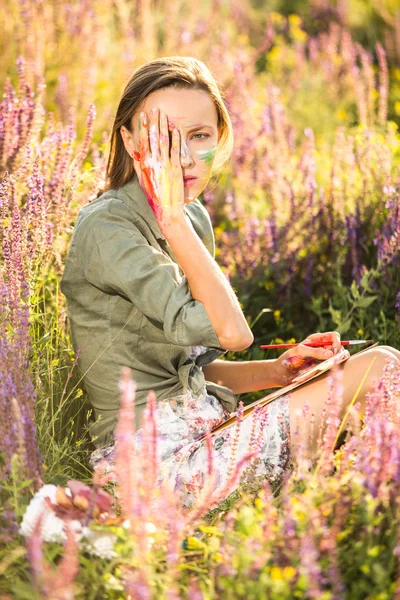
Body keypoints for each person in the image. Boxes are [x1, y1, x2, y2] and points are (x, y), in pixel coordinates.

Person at [60, 56, 400, 508]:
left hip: (210, 431)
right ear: (128, 140)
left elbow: (190, 369)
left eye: (199, 135)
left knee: (374, 379)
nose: (182, 156)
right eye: (163, 138)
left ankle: (366, 524)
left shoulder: (193, 217)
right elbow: (235, 335)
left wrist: (280, 373)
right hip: (158, 472)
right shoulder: (108, 229)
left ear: (218, 138)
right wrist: (175, 222)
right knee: (382, 368)